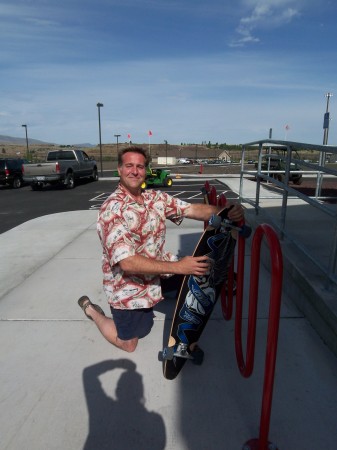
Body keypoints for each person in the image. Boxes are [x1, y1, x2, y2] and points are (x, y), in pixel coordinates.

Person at [78, 146, 244, 353]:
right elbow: (127, 262)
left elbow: (191, 209)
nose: (134, 171)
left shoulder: (155, 199)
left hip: (159, 271)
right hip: (128, 285)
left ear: (146, 171)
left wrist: (224, 212)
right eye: (129, 166)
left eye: (140, 166)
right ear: (119, 170)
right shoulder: (112, 210)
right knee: (130, 344)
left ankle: (182, 318)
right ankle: (92, 311)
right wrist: (179, 267)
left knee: (200, 272)